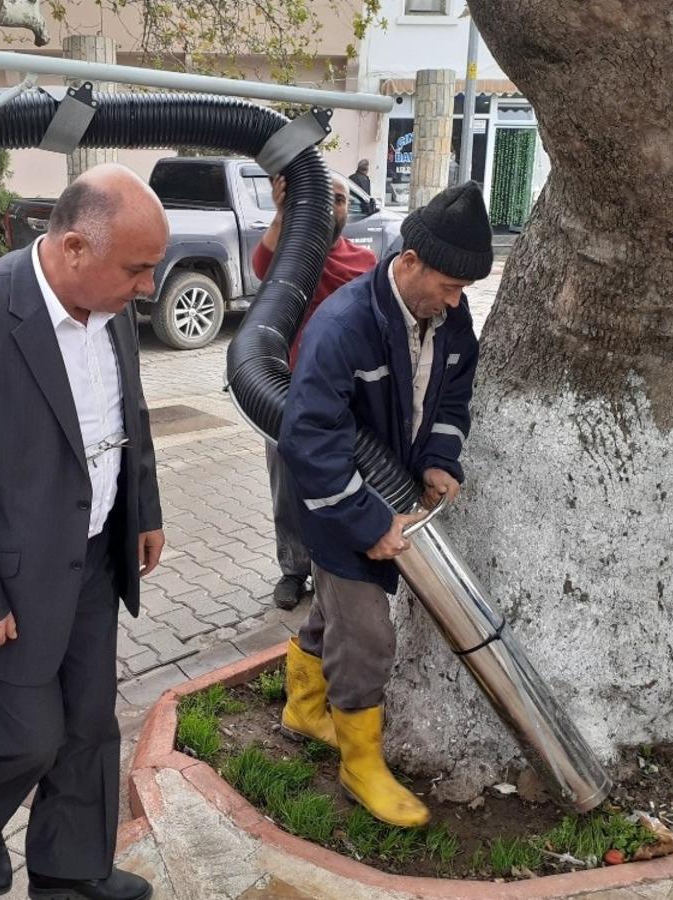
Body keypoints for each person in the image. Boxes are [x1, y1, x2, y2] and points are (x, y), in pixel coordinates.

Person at [0, 163, 166, 900]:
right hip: (5, 579)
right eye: (137, 268)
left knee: (88, 727)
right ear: (75, 248)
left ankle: (69, 872)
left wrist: (143, 512)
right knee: (26, 737)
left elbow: (129, 420)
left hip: (96, 560)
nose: (148, 286)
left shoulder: (110, 313)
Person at [278, 182, 493, 827]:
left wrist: (438, 461)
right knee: (367, 631)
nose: (459, 302)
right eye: (451, 285)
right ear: (410, 262)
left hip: (395, 498)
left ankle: (302, 707)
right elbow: (309, 440)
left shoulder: (449, 322)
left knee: (337, 618)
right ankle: (360, 765)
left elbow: (454, 401)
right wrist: (369, 523)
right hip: (336, 506)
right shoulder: (344, 326)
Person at [255, 174, 376, 611]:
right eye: (326, 199)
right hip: (282, 394)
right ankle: (293, 570)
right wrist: (284, 213)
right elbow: (260, 265)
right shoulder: (291, 255)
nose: (333, 208)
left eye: (341, 200)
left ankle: (339, 566)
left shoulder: (365, 262)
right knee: (286, 487)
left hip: (344, 400)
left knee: (341, 482)